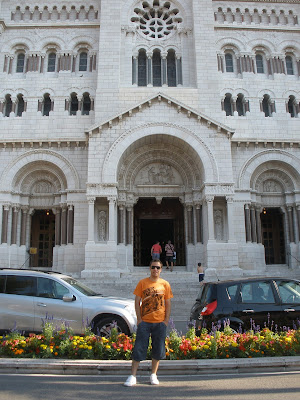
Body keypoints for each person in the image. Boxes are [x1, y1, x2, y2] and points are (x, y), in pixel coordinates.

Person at [124, 259, 173, 387]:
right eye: (153, 267)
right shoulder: (142, 283)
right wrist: (139, 319)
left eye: (157, 267)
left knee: (158, 349)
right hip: (145, 322)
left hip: (160, 322)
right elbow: (137, 300)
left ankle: (153, 375)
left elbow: (168, 303)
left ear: (161, 269)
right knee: (139, 348)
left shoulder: (165, 284)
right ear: (150, 268)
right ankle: (132, 376)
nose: (155, 269)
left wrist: (166, 321)